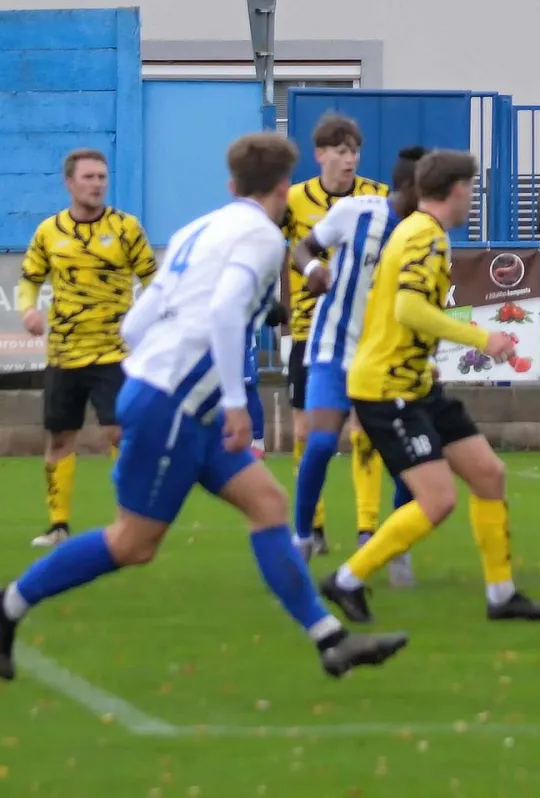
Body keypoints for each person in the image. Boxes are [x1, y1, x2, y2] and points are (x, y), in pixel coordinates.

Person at [0, 133, 409, 683]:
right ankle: (8, 607)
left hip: (178, 402)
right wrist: (234, 403)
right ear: (283, 186)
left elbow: (135, 324)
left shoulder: (197, 229)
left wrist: (165, 374)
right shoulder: (264, 238)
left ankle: (330, 641)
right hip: (176, 406)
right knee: (132, 542)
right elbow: (223, 311)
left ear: (232, 184)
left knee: (268, 504)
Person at [318, 150, 540, 625]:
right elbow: (408, 309)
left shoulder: (420, 231)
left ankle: (502, 595)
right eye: (471, 188)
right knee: (438, 500)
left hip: (414, 383)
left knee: (488, 474)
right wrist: (483, 339)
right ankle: (347, 579)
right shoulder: (424, 237)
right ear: (456, 190)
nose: (472, 198)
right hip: (388, 388)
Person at [289, 147, 425, 586]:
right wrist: (313, 268)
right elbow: (302, 247)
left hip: (386, 355)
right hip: (334, 346)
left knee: (406, 455)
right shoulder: (356, 212)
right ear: (412, 188)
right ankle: (302, 537)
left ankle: (393, 544)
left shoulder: (426, 233)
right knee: (320, 443)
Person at [19, 148, 158, 549]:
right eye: (89, 177)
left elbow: (154, 280)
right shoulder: (49, 231)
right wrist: (29, 310)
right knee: (60, 437)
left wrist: (154, 321)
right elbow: (30, 278)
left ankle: (128, 519)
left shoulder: (126, 228)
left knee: (119, 433)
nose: (97, 184)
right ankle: (57, 525)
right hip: (64, 354)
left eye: (102, 177)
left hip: (114, 352)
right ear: (70, 183)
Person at [281, 113, 389, 555]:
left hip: (364, 332)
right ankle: (315, 525)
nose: (350, 159)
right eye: (341, 151)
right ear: (320, 155)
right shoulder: (294, 199)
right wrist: (283, 303)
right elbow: (284, 251)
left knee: (366, 427)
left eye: (355, 151)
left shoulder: (378, 197)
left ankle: (367, 526)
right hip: (309, 329)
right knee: (306, 431)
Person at [244, 300, 288, 459]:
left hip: (242, 343)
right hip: (219, 342)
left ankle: (258, 443)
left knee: (248, 389)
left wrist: (273, 308)